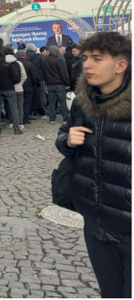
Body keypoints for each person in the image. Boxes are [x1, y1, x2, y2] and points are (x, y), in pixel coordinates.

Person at [55, 32, 130, 298]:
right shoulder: (82, 103)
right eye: (86, 58)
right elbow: (63, 137)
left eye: (97, 59)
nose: (87, 64)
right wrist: (67, 141)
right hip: (96, 221)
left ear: (121, 66)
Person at [0, 50, 22, 135]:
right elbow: (17, 79)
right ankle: (16, 129)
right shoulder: (9, 66)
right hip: (9, 89)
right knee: (14, 109)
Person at [44, 45, 71, 124]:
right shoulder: (59, 60)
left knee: (51, 102)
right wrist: (67, 83)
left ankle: (52, 118)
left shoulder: (44, 60)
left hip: (49, 84)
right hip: (59, 83)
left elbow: (44, 73)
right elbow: (63, 72)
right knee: (62, 101)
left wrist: (47, 81)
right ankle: (65, 118)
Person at [5, 52, 27, 129]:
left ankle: (12, 121)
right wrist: (20, 83)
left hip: (8, 88)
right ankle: (20, 122)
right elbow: (24, 76)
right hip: (19, 88)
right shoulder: (19, 63)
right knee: (20, 106)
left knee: (10, 106)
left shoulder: (4, 64)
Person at [18, 51, 40, 126]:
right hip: (28, 86)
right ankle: (26, 118)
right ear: (24, 56)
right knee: (27, 103)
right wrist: (34, 84)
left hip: (17, 86)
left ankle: (18, 118)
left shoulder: (14, 64)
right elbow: (35, 76)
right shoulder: (29, 64)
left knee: (18, 104)